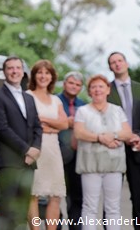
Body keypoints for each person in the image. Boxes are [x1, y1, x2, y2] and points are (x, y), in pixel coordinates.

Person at [0, 55, 42, 230]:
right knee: (7, 209)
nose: (14, 71)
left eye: (18, 68)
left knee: (22, 209)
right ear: (4, 72)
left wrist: (35, 148)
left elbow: (37, 127)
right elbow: (3, 129)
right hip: (10, 161)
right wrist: (26, 150)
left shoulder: (29, 98)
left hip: (28, 162)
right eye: (10, 68)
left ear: (23, 71)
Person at [74, 74, 133, 230]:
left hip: (114, 165)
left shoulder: (117, 110)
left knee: (113, 207)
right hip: (90, 165)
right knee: (89, 207)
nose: (97, 90)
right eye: (93, 87)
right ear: (89, 92)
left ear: (108, 90)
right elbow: (79, 133)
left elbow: (127, 133)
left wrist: (112, 135)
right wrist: (100, 137)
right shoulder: (83, 111)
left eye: (101, 86)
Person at [106, 51, 140, 229]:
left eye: (120, 60)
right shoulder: (106, 90)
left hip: (139, 149)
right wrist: (122, 136)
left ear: (126, 63)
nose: (117, 64)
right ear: (110, 67)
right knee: (110, 198)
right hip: (114, 148)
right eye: (113, 62)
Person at [26, 59, 67, 230]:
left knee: (55, 195)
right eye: (40, 72)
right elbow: (29, 123)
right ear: (34, 76)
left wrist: (43, 120)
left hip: (53, 150)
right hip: (35, 148)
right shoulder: (27, 96)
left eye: (47, 73)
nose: (43, 76)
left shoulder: (56, 100)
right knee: (33, 194)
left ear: (52, 77)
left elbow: (64, 124)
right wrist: (52, 125)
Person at [57, 71, 87, 230]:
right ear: (64, 84)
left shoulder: (83, 105)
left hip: (78, 158)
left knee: (76, 198)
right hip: (57, 156)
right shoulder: (54, 101)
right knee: (54, 197)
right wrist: (65, 122)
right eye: (71, 83)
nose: (74, 86)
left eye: (77, 84)